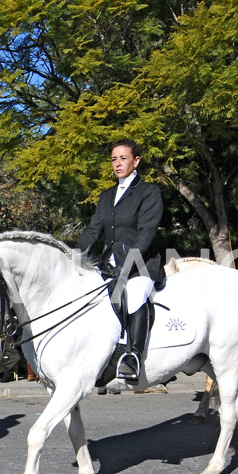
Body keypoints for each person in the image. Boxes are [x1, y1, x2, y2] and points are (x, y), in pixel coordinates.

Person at [74, 139, 164, 381]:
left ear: (136, 161)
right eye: (114, 159)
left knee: (134, 295)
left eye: (123, 158)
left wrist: (127, 265)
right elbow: (93, 231)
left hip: (141, 266)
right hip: (108, 265)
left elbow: (146, 233)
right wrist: (74, 256)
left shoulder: (149, 192)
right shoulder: (106, 196)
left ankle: (133, 356)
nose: (118, 164)